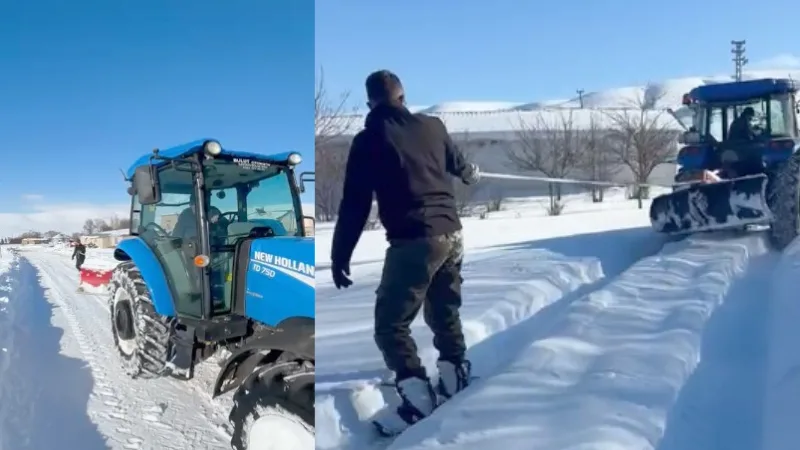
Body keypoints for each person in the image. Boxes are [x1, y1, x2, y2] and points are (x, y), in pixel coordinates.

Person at [330, 69, 481, 426]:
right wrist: (470, 172)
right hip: (453, 234)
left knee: (390, 324)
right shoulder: (433, 127)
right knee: (444, 308)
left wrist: (340, 254)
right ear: (403, 96)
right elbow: (459, 165)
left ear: (371, 103)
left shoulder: (368, 141)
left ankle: (417, 398)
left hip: (415, 239)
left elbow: (355, 204)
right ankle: (454, 373)